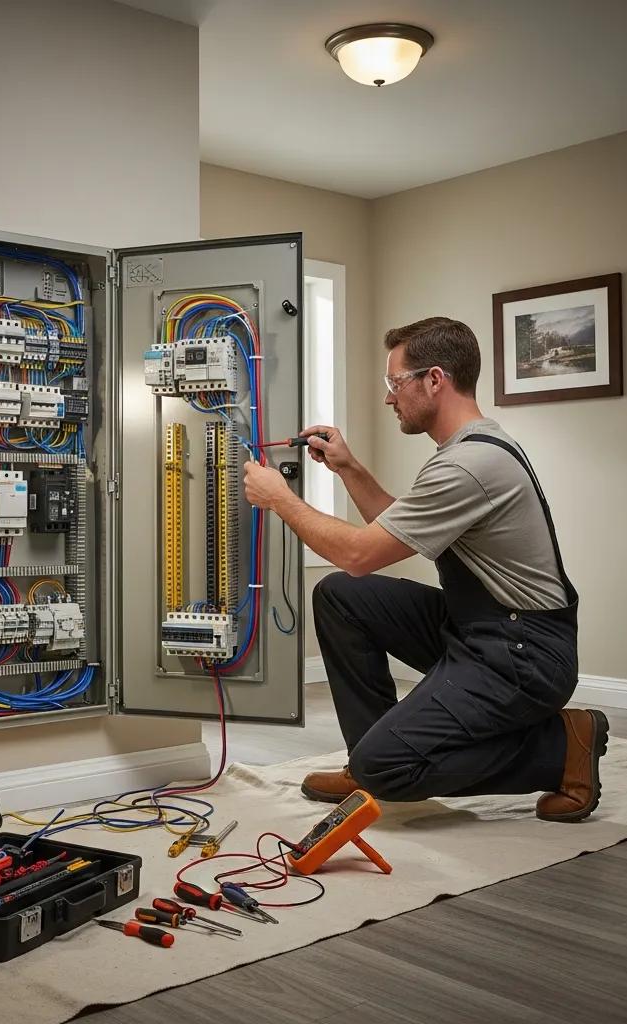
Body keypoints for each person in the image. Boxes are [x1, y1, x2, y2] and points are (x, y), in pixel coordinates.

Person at [242, 316, 607, 822]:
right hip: (482, 630)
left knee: (388, 768)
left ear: (435, 379)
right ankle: (366, 759)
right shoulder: (468, 447)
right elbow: (398, 530)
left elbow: (359, 553)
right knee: (342, 596)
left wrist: (280, 499)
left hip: (523, 655)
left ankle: (560, 749)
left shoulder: (467, 465)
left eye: (395, 382)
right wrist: (348, 467)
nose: (388, 397)